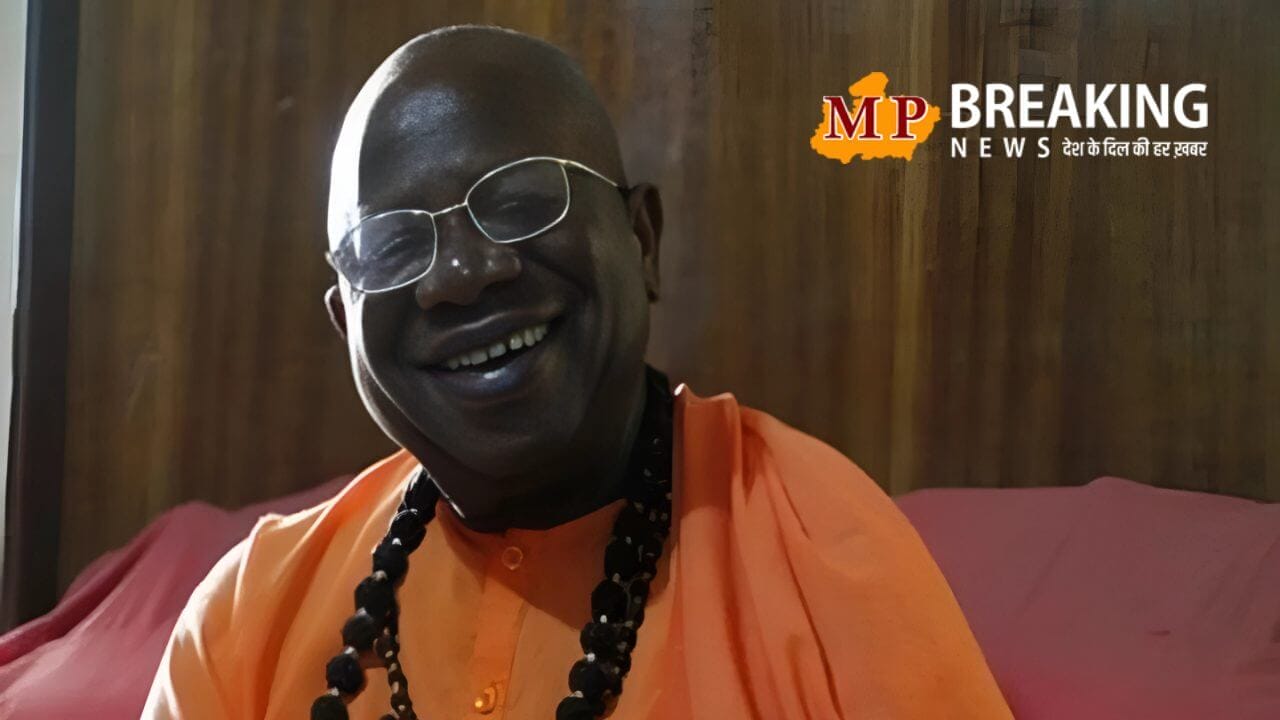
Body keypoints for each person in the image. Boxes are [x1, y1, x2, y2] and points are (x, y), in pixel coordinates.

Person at [143, 25, 1011, 720]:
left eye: (522, 200)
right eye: (394, 245)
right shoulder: (246, 618)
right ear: (346, 324)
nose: (462, 275)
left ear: (642, 242)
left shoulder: (821, 551)